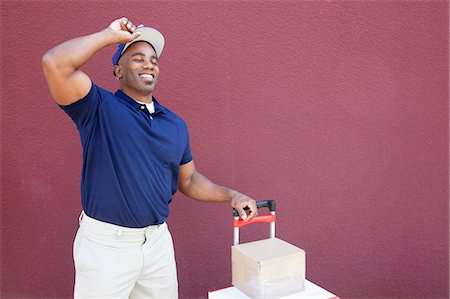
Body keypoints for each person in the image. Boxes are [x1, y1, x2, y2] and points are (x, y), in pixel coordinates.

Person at [42, 17, 258, 299]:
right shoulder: (98, 108)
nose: (149, 64)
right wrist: (110, 36)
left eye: (154, 60)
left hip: (157, 244)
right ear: (118, 71)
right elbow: (55, 63)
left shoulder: (175, 124)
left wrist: (232, 194)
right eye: (138, 58)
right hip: (107, 247)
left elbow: (189, 179)